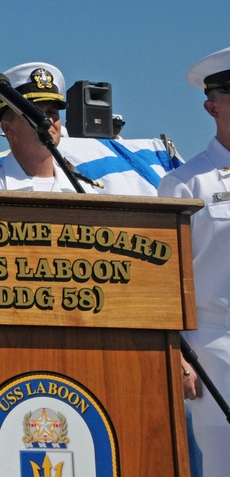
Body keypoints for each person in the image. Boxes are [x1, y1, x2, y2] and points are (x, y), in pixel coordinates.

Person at [156, 45, 230, 476]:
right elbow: (164, 280)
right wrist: (178, 354)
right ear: (211, 105)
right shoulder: (185, 183)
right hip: (215, 341)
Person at [0, 61, 101, 192]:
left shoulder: (87, 191)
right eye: (36, 113)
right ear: (8, 128)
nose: (48, 120)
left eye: (53, 112)